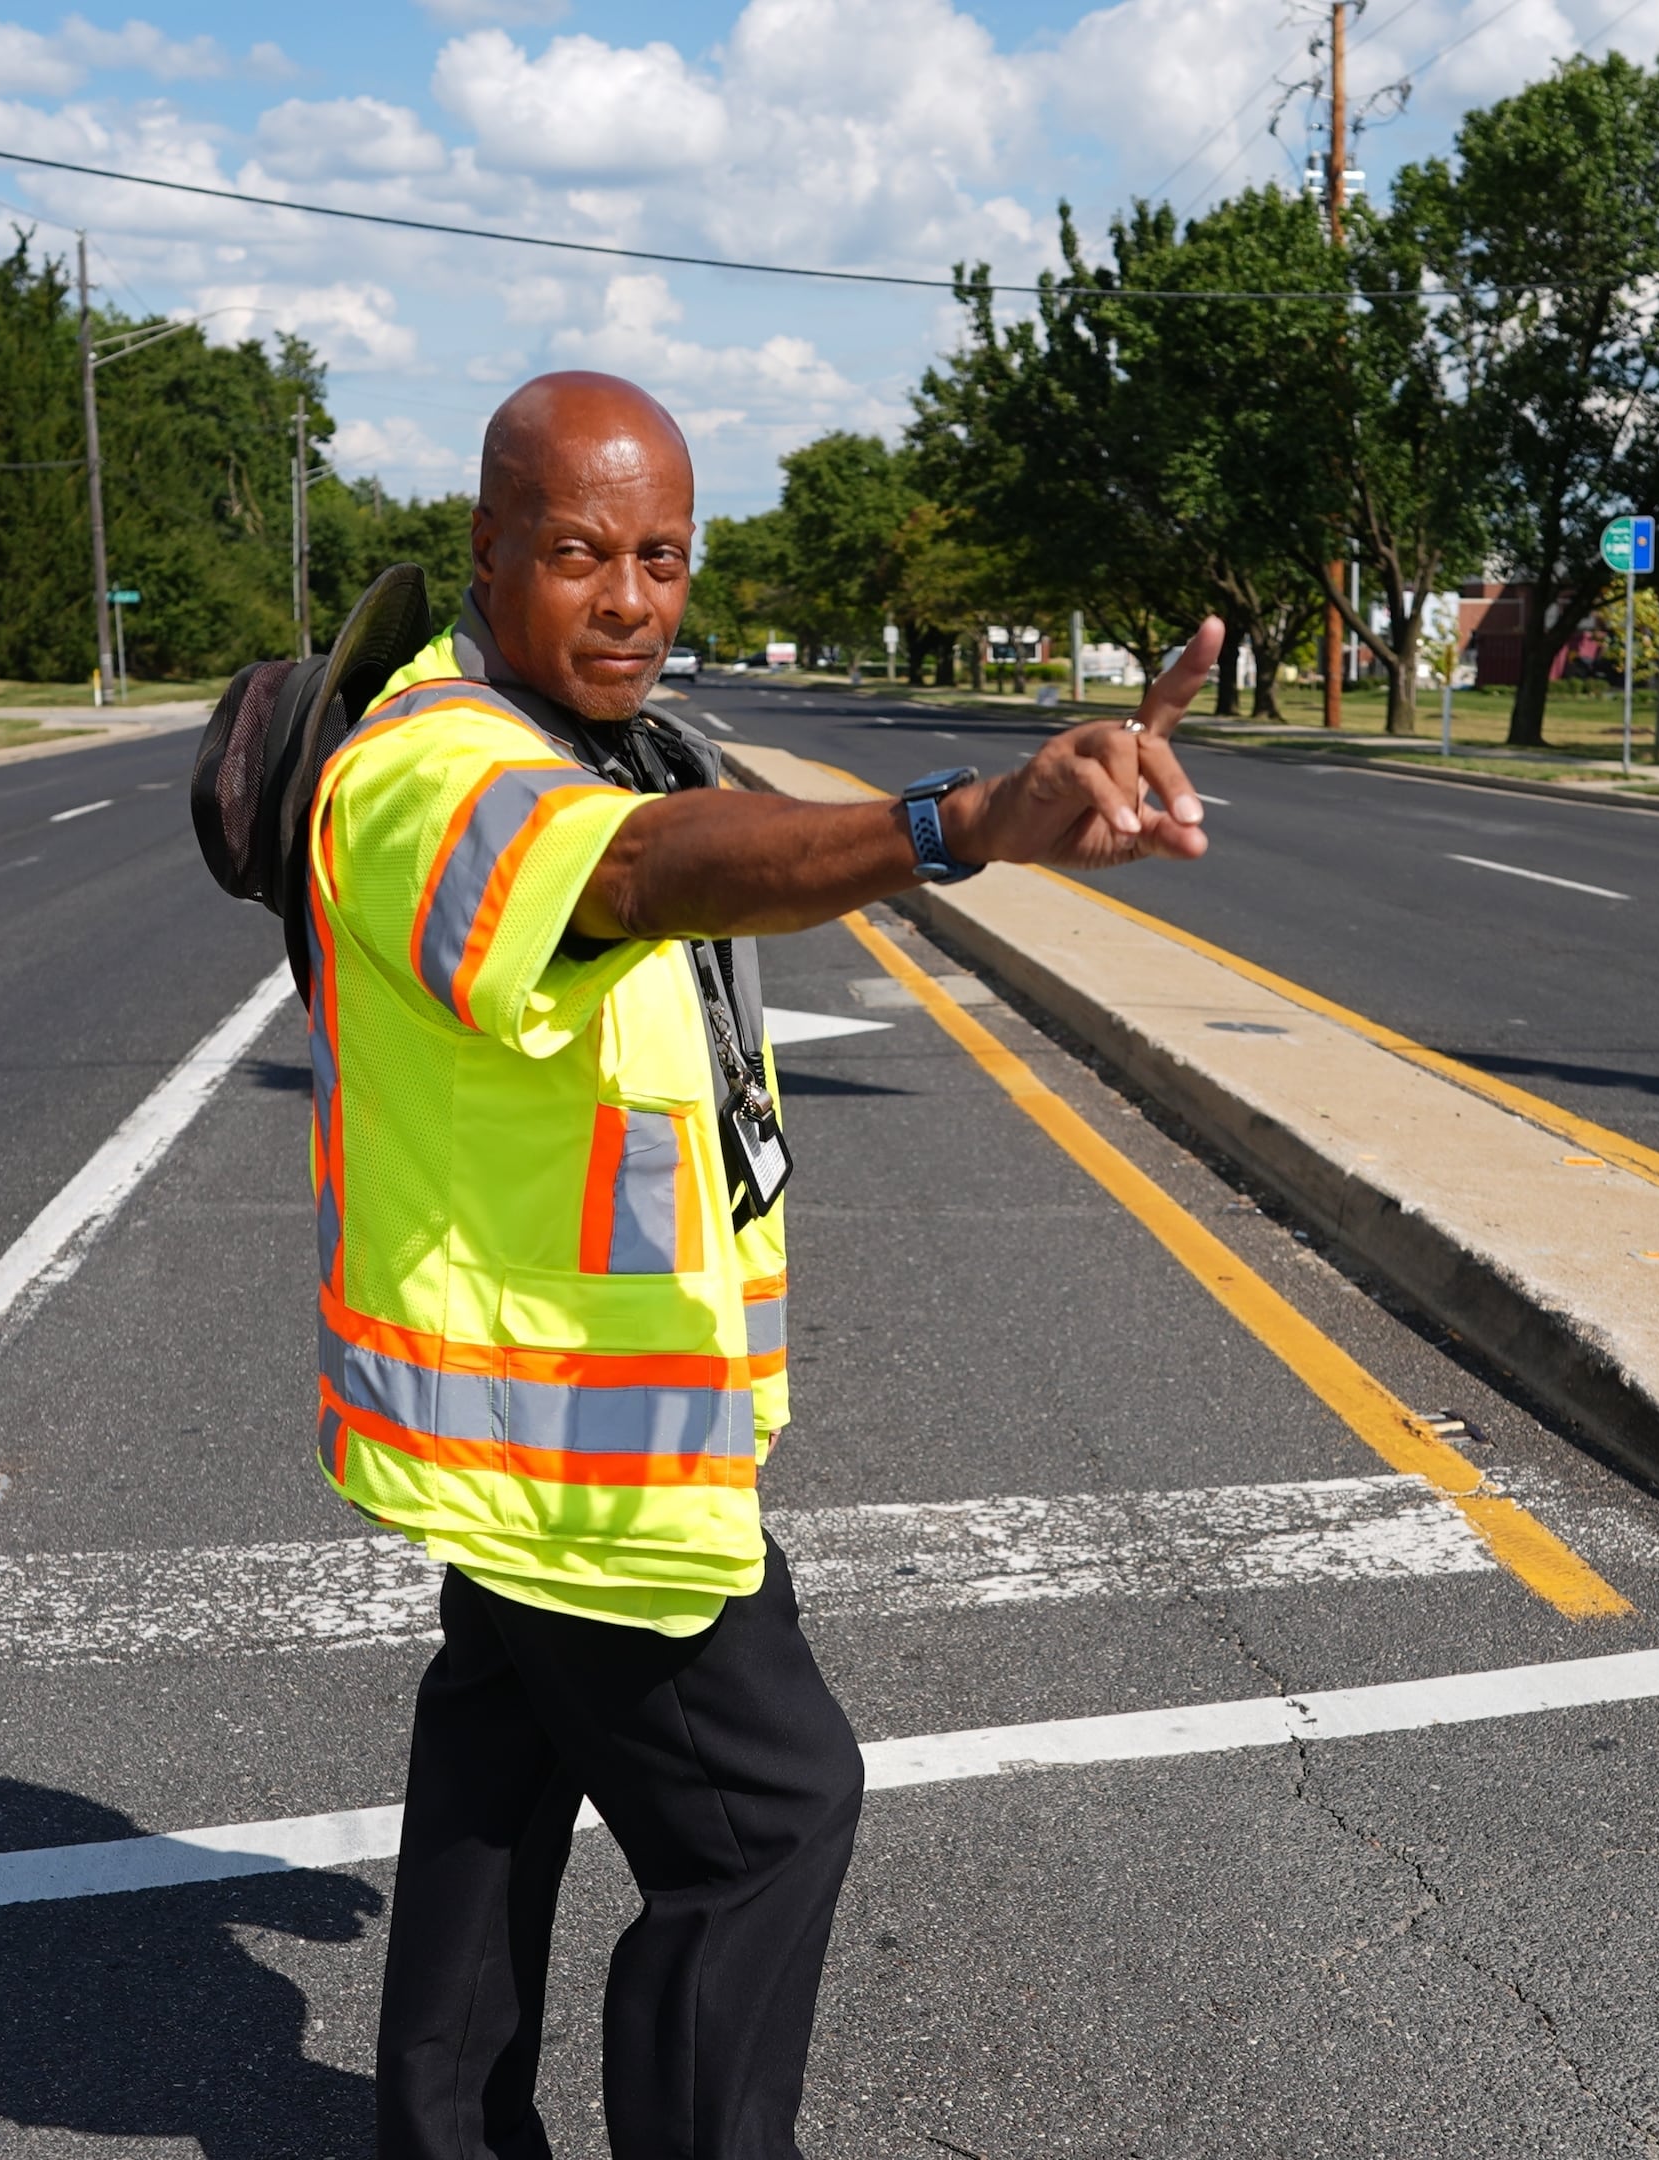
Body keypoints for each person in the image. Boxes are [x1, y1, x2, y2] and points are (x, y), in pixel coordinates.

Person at [305, 369, 1221, 2160]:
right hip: (589, 1470)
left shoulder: (592, 732)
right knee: (771, 1821)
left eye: (665, 555)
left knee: (499, 1770)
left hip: (531, 1441)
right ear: (489, 555)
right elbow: (646, 875)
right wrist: (959, 821)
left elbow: (678, 847)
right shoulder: (430, 772)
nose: (632, 599)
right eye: (578, 553)